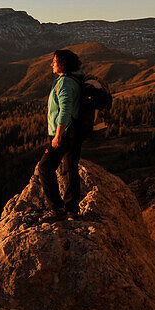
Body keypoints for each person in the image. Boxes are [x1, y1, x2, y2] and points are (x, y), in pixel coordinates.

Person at [37, 48, 85, 220]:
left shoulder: (65, 82)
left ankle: (57, 209)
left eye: (54, 61)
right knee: (69, 169)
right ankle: (72, 209)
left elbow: (65, 110)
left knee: (44, 167)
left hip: (64, 132)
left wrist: (58, 135)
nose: (51, 64)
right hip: (76, 132)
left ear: (62, 64)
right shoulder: (76, 79)